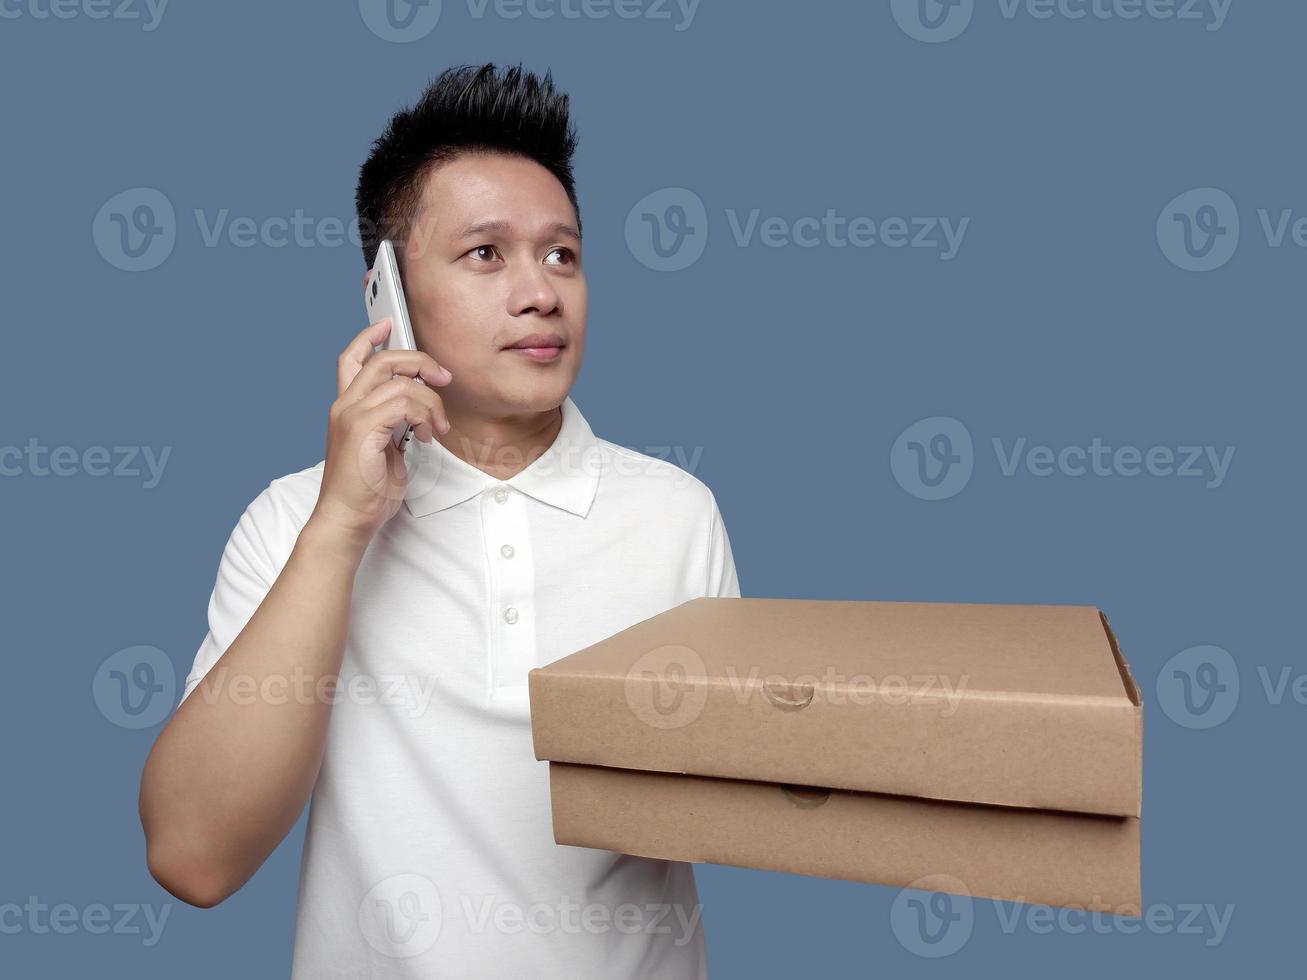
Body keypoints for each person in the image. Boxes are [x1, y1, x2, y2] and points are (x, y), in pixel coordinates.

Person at [138, 62, 740, 978]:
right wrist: (342, 529)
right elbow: (194, 855)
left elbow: (726, 814)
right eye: (485, 253)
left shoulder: (674, 514)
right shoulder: (292, 521)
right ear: (388, 294)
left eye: (562, 253)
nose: (541, 292)